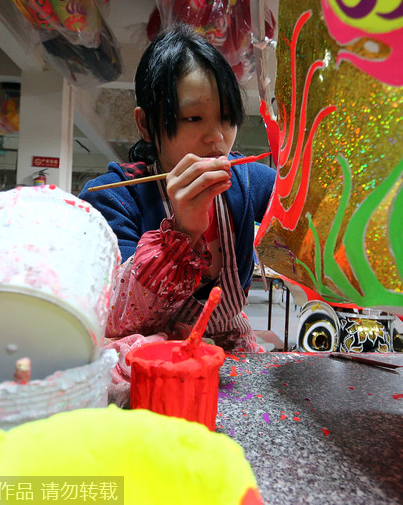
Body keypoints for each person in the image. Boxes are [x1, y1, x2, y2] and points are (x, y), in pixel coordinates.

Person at [80, 23, 276, 356]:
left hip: (232, 362)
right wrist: (182, 232)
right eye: (193, 118)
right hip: (149, 368)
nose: (217, 136)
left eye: (226, 117)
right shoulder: (111, 197)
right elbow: (117, 318)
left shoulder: (245, 181)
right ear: (145, 124)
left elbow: (308, 212)